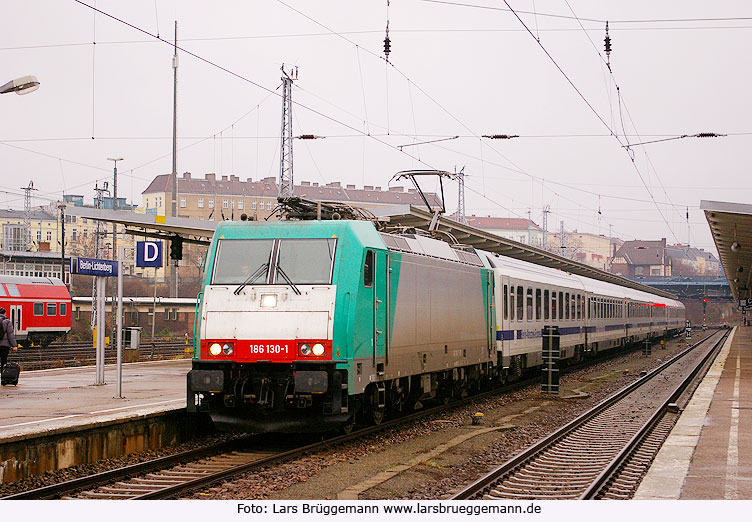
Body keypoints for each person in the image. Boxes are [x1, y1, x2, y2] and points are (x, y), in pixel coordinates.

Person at [0, 306, 19, 373]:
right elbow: (10, 334)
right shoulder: (7, 322)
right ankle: (3, 376)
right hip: (4, 345)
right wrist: (14, 345)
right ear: (4, 313)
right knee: (3, 361)